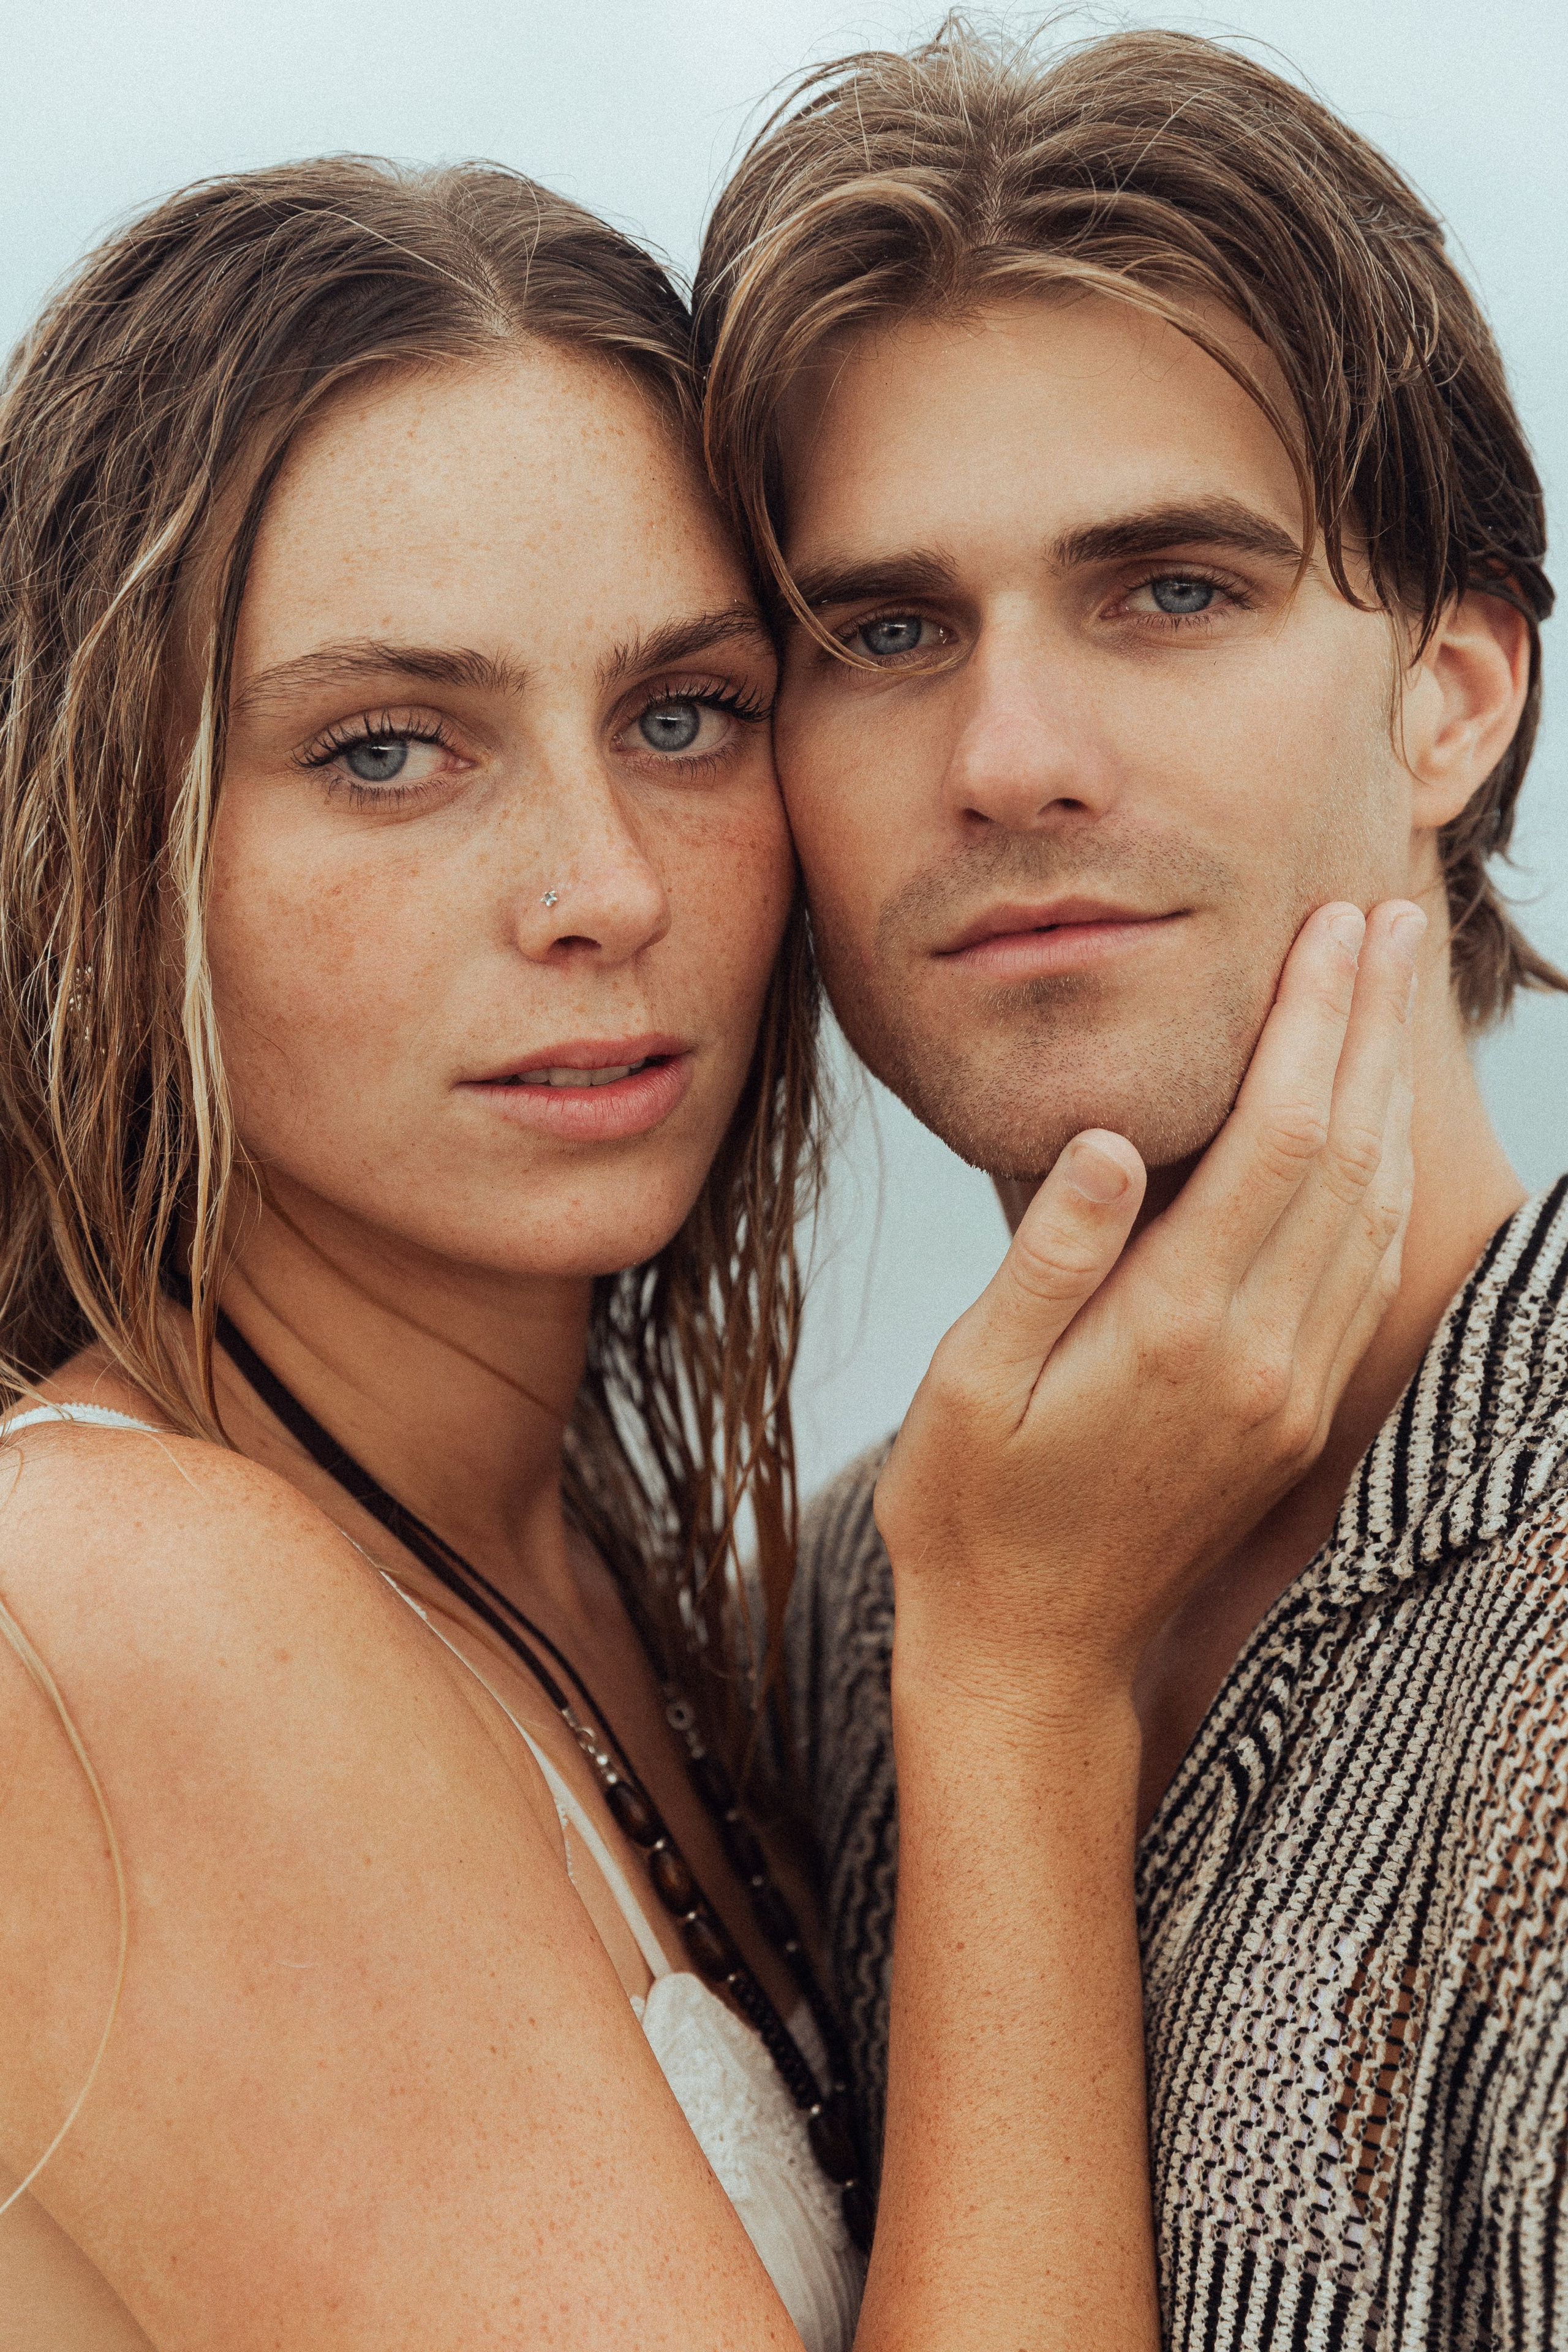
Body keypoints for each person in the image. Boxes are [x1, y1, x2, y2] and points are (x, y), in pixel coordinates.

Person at [0, 149, 1411, 2352]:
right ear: (94, 836)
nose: (607, 889)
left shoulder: (646, 1594)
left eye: (685, 716)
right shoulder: (111, 1606)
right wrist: (1020, 1682)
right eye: (389, 750)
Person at [695, 21, 1568, 2348]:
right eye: (884, 633)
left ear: (1456, 691)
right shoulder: (832, 1625)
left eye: (1172, 590)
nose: (1010, 759)